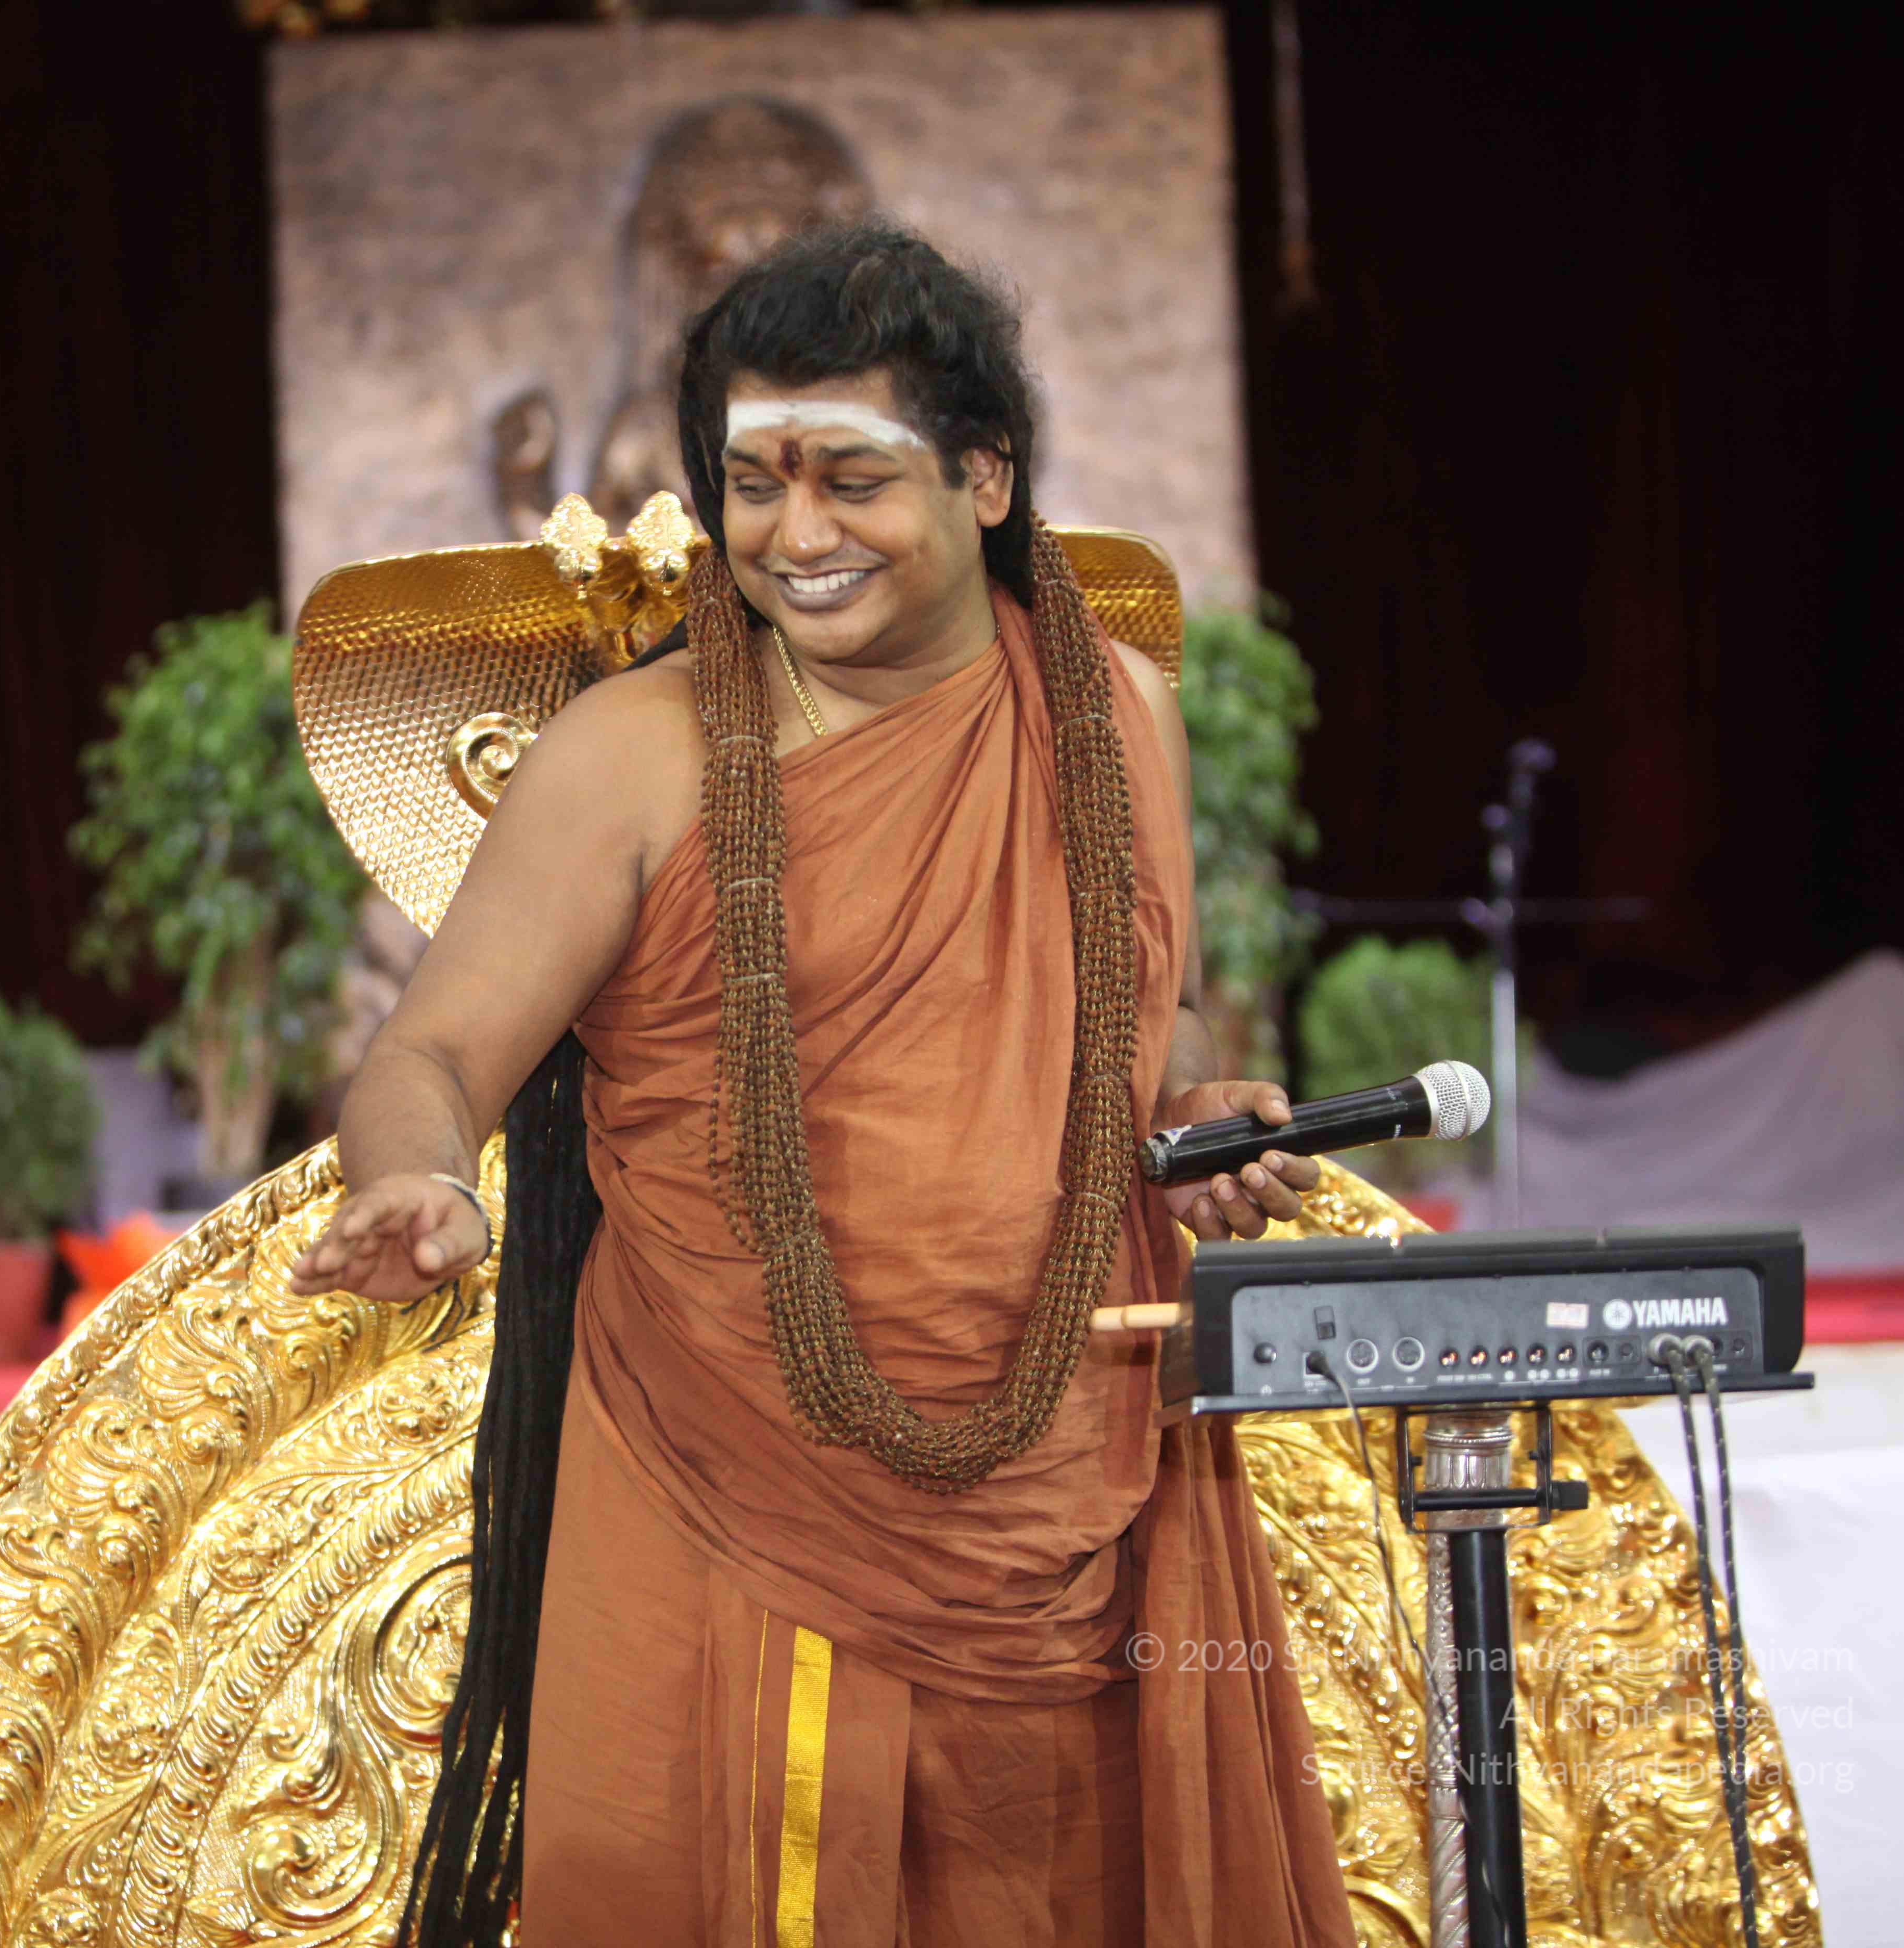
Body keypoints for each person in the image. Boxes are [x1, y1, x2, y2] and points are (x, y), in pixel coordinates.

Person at [294, 224, 1357, 1946]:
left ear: (984, 476)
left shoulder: (1115, 715)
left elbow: (1111, 1028)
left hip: (1072, 1475)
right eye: (752, 484)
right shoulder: (632, 757)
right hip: (724, 1477)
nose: (794, 536)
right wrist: (414, 1175)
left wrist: (1188, 1120)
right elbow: (427, 1055)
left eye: (850, 480)